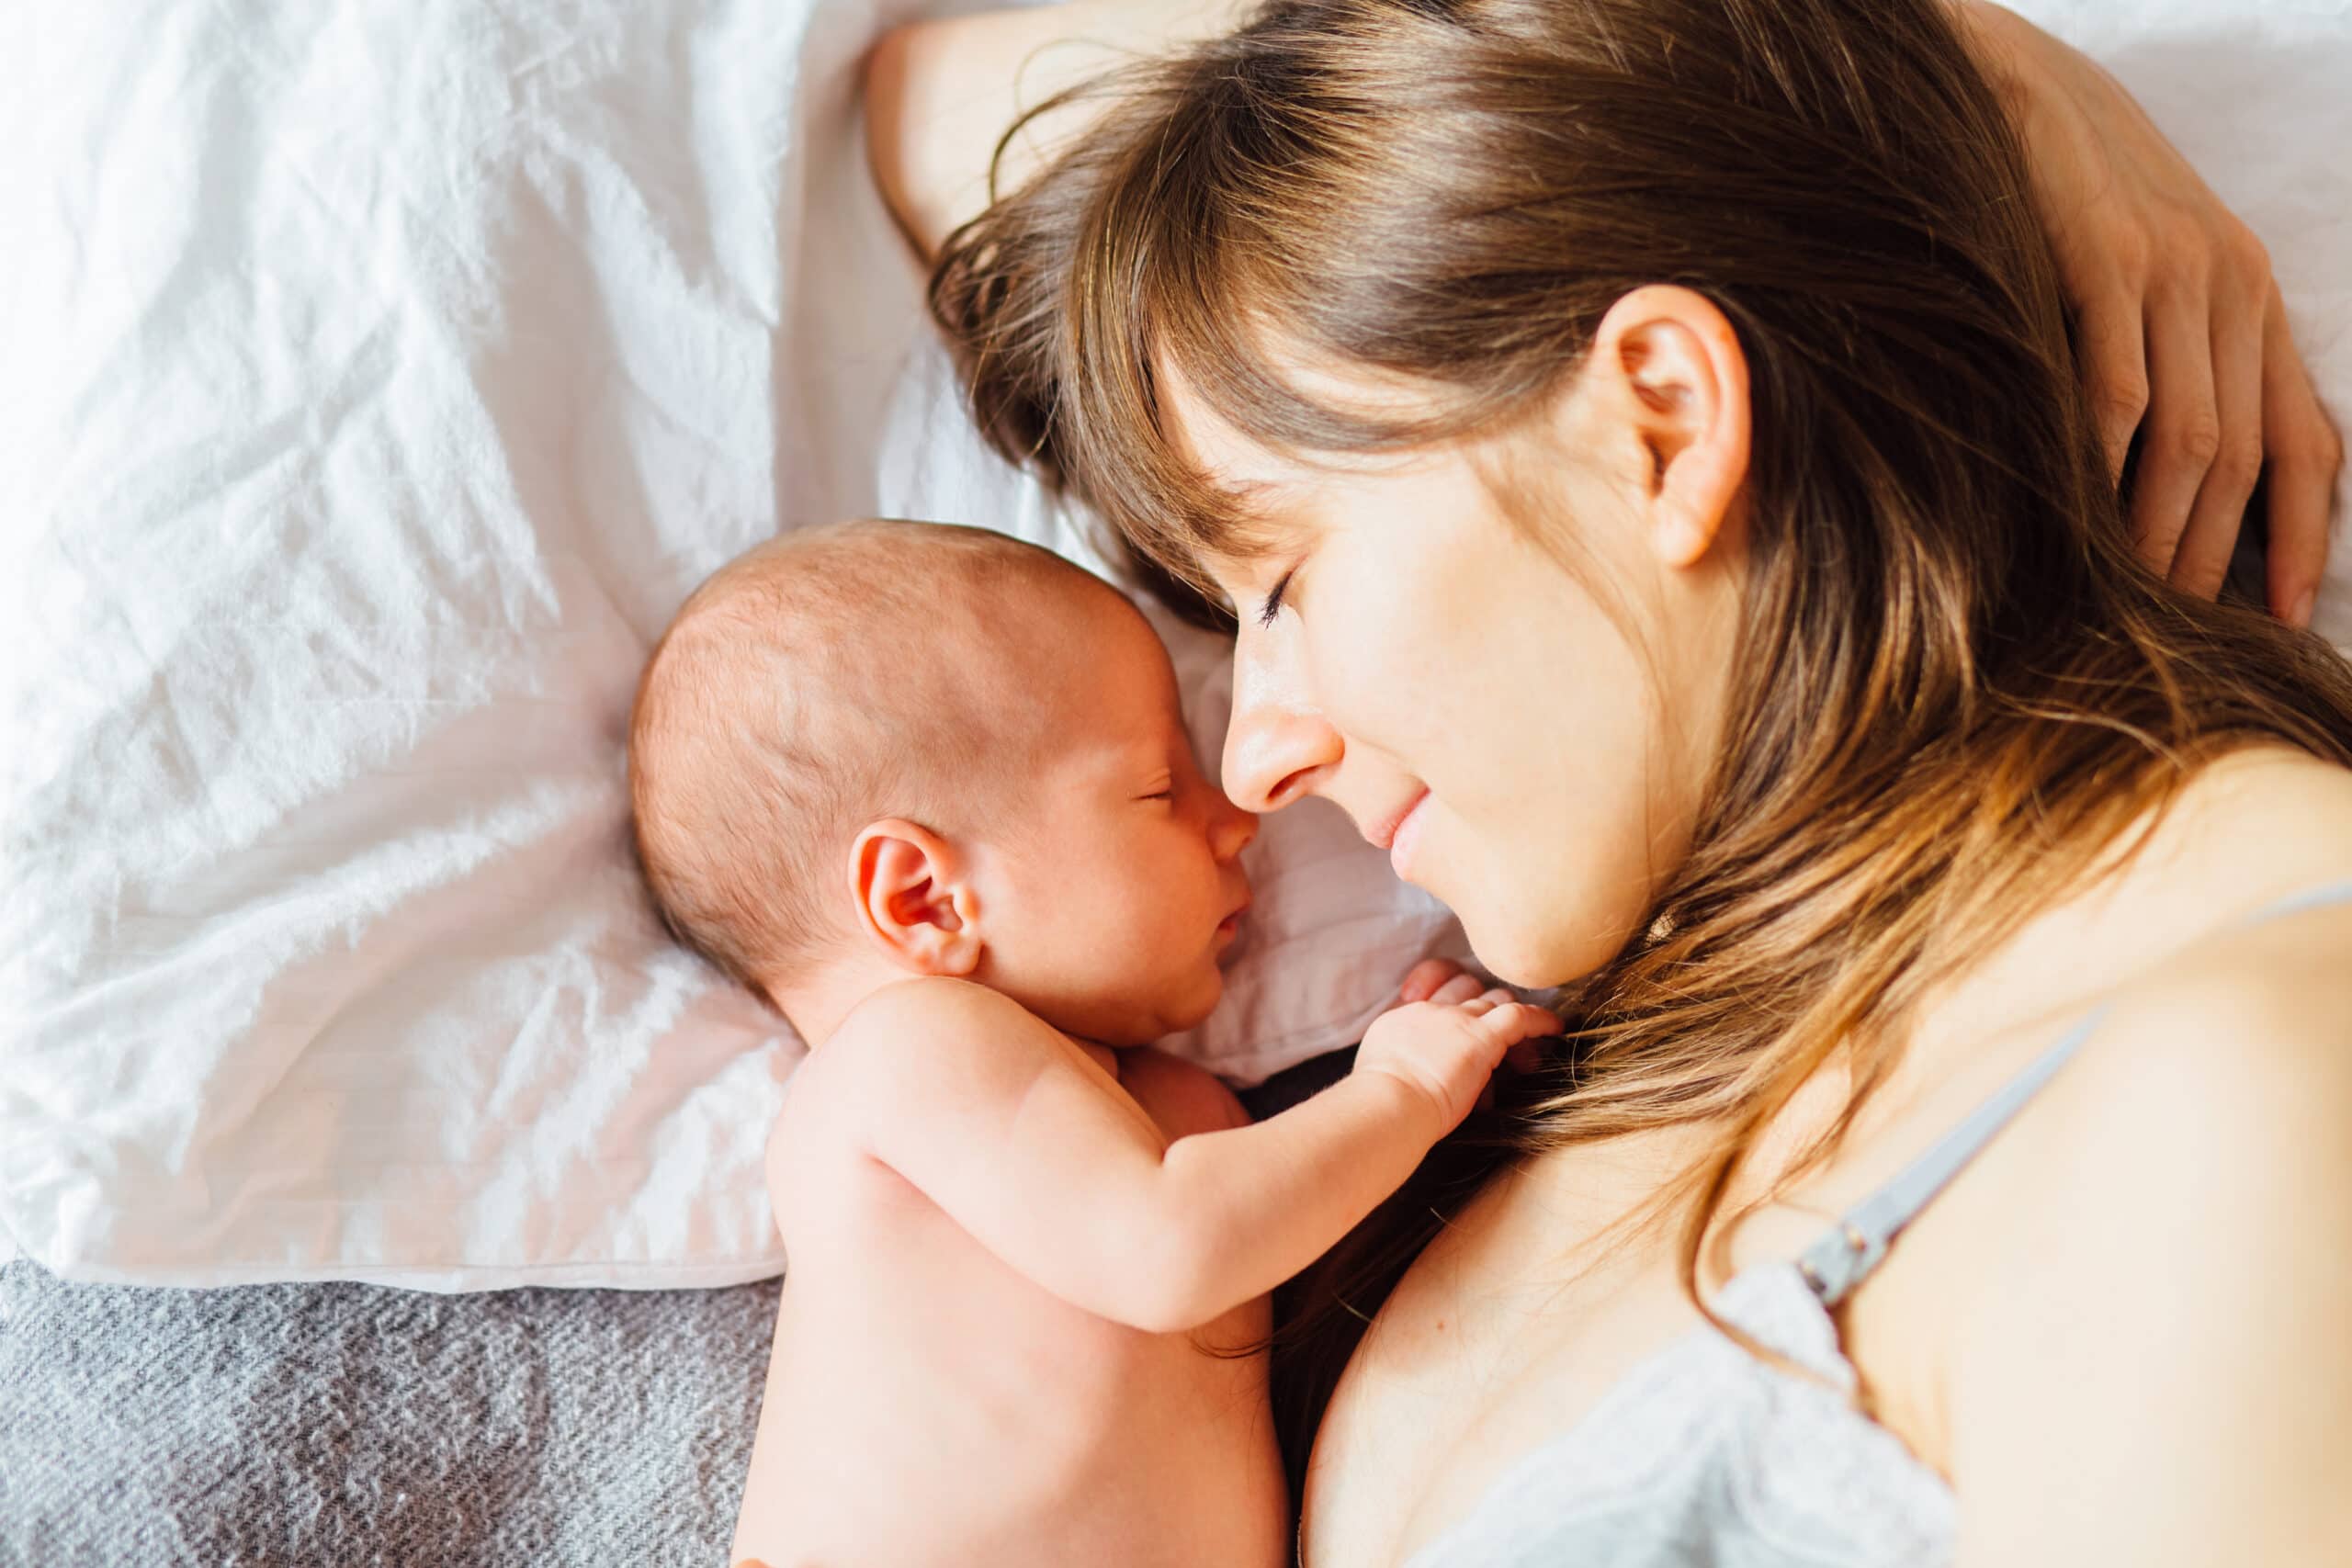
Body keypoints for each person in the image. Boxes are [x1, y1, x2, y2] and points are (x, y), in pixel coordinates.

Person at [872, 1, 2352, 1563]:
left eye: (1284, 579)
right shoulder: (1702, 998)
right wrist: (1934, 48)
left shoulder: (2255, 1082)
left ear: (1663, 418)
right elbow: (917, 99)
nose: (1253, 754)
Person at [627, 520, 1563, 1567]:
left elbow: (1263, 1227)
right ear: (925, 897)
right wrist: (1401, 1092)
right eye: (1160, 788)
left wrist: (1433, 1089)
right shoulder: (906, 1052)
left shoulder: (1172, 1107)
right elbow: (1170, 1249)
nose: (1235, 821)